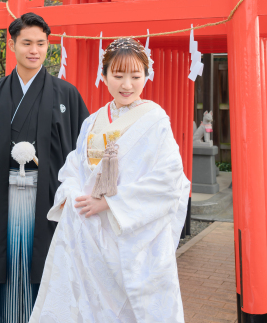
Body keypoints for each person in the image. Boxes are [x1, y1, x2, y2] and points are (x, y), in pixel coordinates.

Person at [30, 37, 190, 323]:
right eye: (118, 76)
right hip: (89, 230)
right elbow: (73, 167)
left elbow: (169, 180)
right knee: (87, 304)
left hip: (128, 230)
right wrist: (71, 195)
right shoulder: (92, 121)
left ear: (146, 76)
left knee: (131, 307)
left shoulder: (155, 120)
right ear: (103, 76)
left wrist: (110, 204)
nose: (127, 85)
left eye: (135, 76)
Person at [0, 12, 89, 323]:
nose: (34, 50)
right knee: (5, 263)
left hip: (50, 200)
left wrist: (78, 196)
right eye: (27, 43)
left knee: (48, 263)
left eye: (41, 43)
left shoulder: (66, 94)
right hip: (0, 197)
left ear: (48, 45)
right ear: (12, 45)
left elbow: (83, 152)